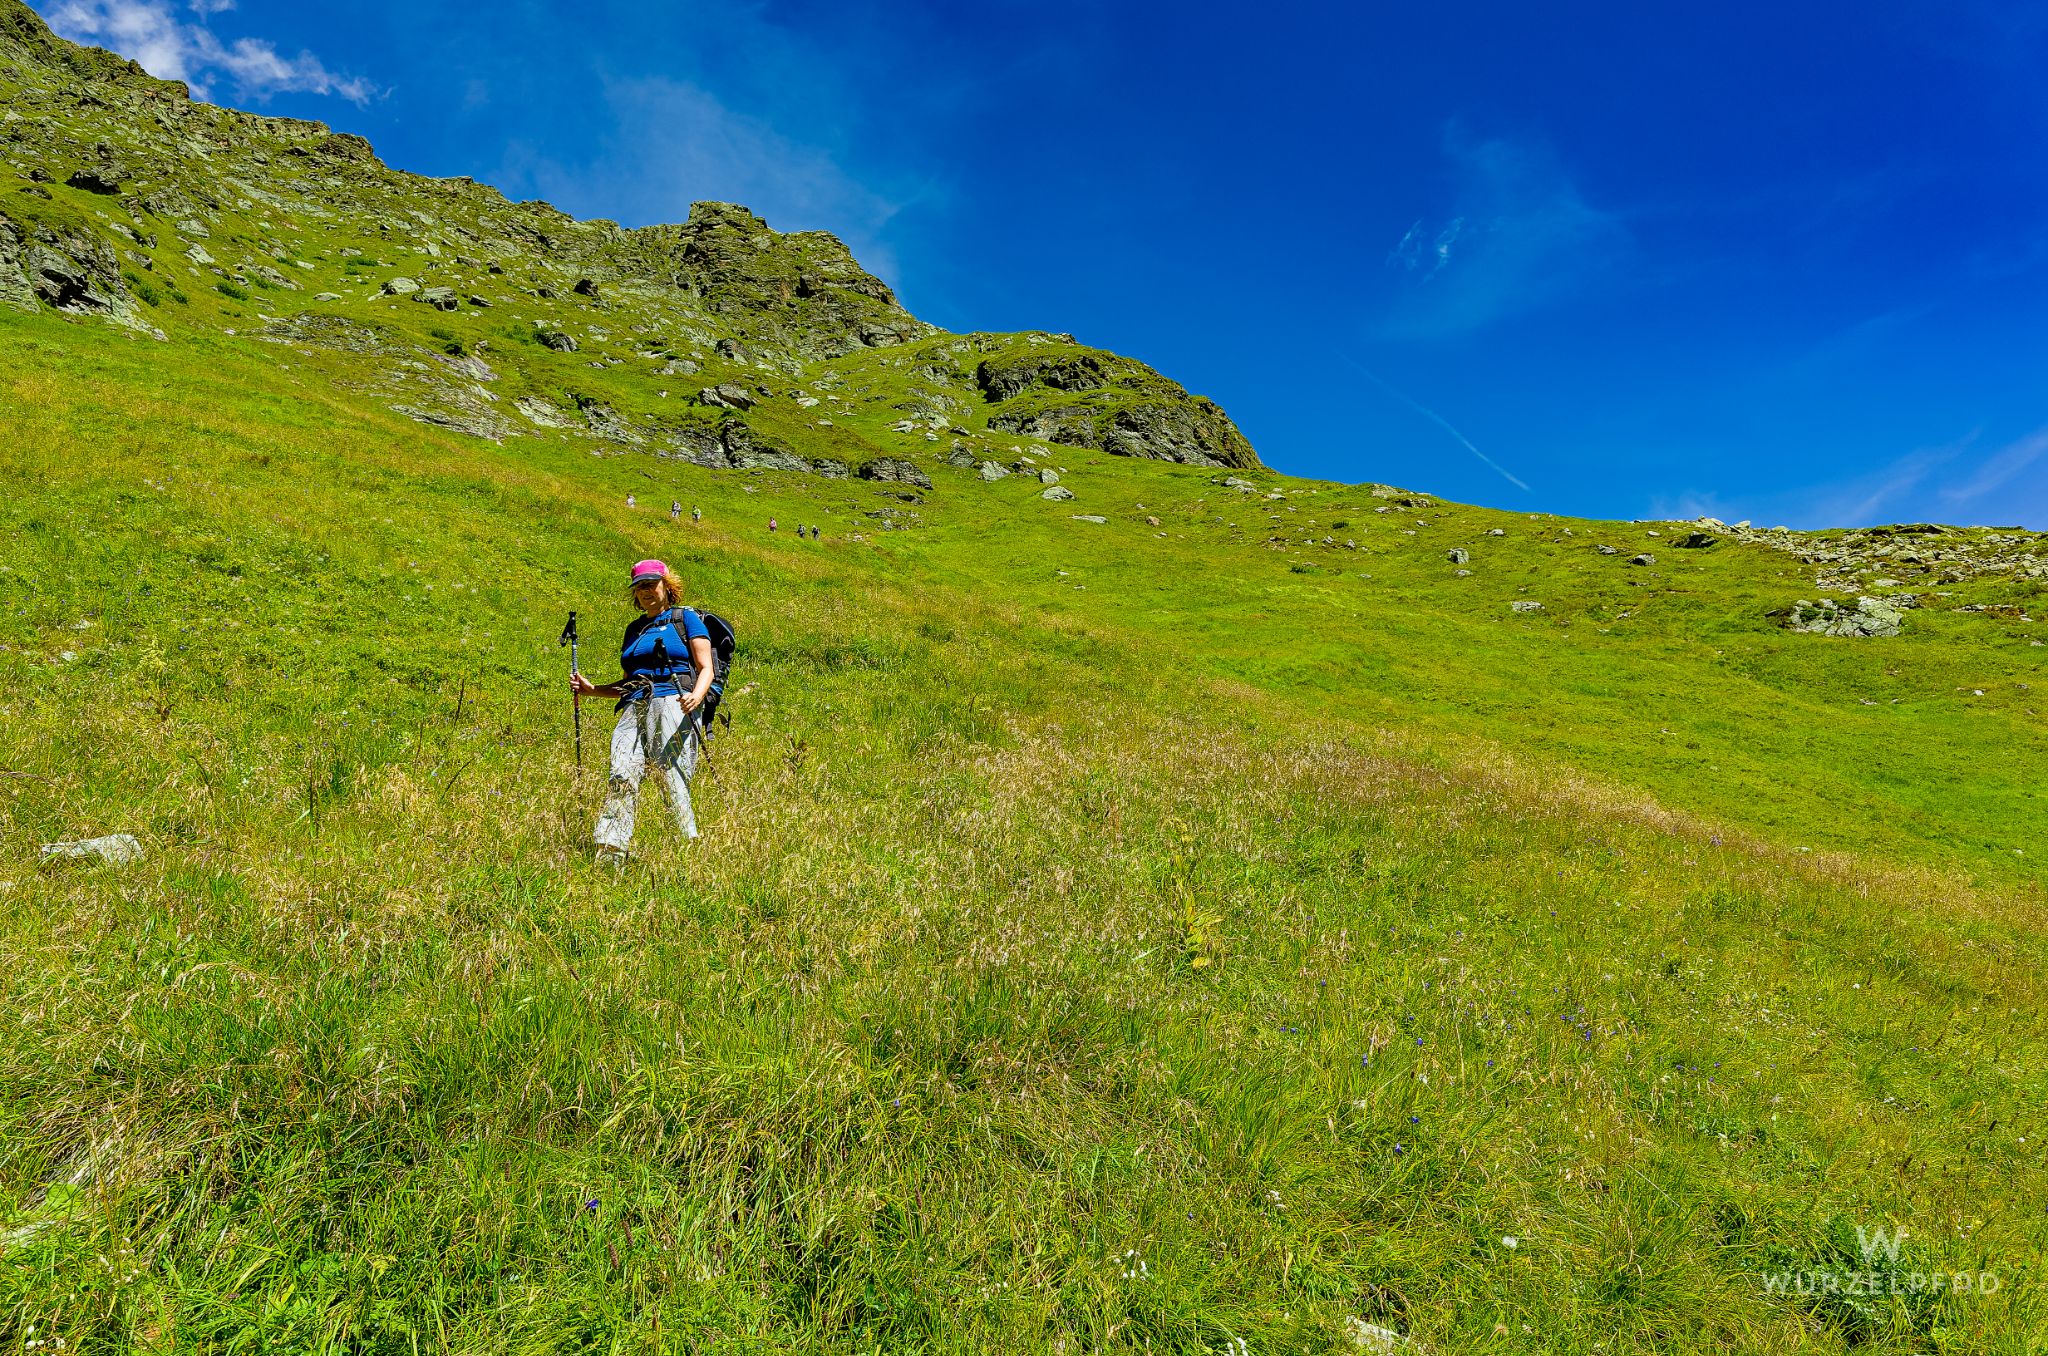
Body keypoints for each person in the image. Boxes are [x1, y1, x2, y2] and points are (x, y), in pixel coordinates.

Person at [569, 559, 715, 862]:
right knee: (621, 774)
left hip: (674, 702)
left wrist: (697, 696)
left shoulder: (685, 619)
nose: (646, 591)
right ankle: (611, 853)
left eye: (651, 584)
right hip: (634, 705)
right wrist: (592, 689)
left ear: (667, 586)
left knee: (671, 777)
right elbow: (628, 683)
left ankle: (687, 853)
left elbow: (706, 668)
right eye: (639, 587)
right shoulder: (634, 629)